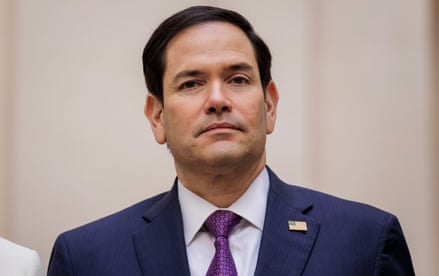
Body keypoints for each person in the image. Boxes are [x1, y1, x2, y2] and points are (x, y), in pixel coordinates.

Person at [48, 5, 415, 275]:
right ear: (157, 116)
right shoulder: (87, 257)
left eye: (238, 79)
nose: (218, 100)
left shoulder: (365, 241)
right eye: (191, 83)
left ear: (269, 105)